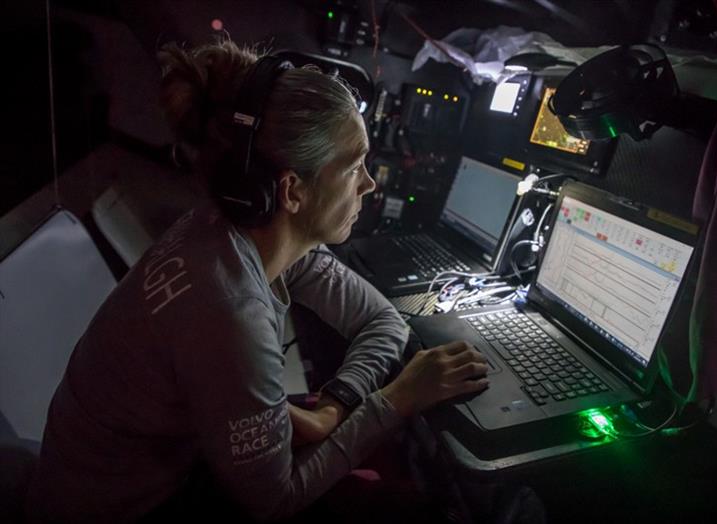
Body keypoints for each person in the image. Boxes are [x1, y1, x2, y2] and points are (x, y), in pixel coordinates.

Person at [26, 39, 490, 523]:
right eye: (354, 168)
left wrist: (334, 407)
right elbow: (276, 500)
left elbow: (383, 321)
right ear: (292, 190)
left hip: (144, 469)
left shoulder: (240, 230)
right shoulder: (229, 310)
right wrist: (397, 401)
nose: (369, 185)